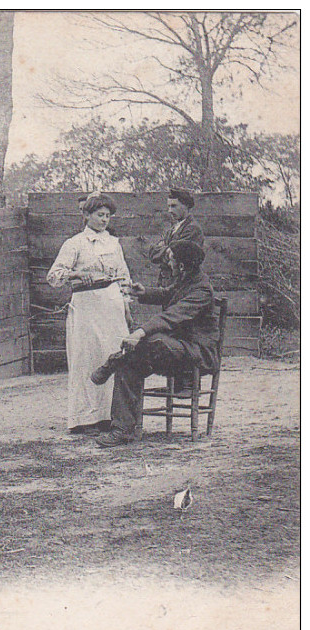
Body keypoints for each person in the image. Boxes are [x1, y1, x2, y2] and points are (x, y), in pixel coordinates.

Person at [90, 240, 218, 448]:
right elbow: (168, 293)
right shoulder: (187, 279)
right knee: (130, 362)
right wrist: (144, 293)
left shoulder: (202, 290)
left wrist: (139, 332)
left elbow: (171, 316)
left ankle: (111, 362)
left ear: (182, 266)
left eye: (171, 260)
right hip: (176, 348)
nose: (168, 264)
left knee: (151, 340)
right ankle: (122, 430)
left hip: (197, 353)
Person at [46, 193, 132, 435]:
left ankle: (109, 416)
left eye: (107, 216)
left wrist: (126, 304)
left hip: (111, 304)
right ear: (86, 215)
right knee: (87, 358)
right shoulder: (75, 244)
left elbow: (124, 277)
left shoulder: (114, 243)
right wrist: (74, 275)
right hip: (86, 306)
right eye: (99, 215)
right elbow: (53, 276)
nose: (104, 220)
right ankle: (85, 419)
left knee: (112, 355)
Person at [149, 188, 204, 288]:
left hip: (181, 284)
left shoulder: (192, 229)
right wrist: (167, 250)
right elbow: (153, 253)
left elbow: (177, 255)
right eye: (169, 206)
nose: (170, 210)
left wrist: (164, 248)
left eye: (174, 206)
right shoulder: (172, 229)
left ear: (186, 205)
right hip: (166, 283)